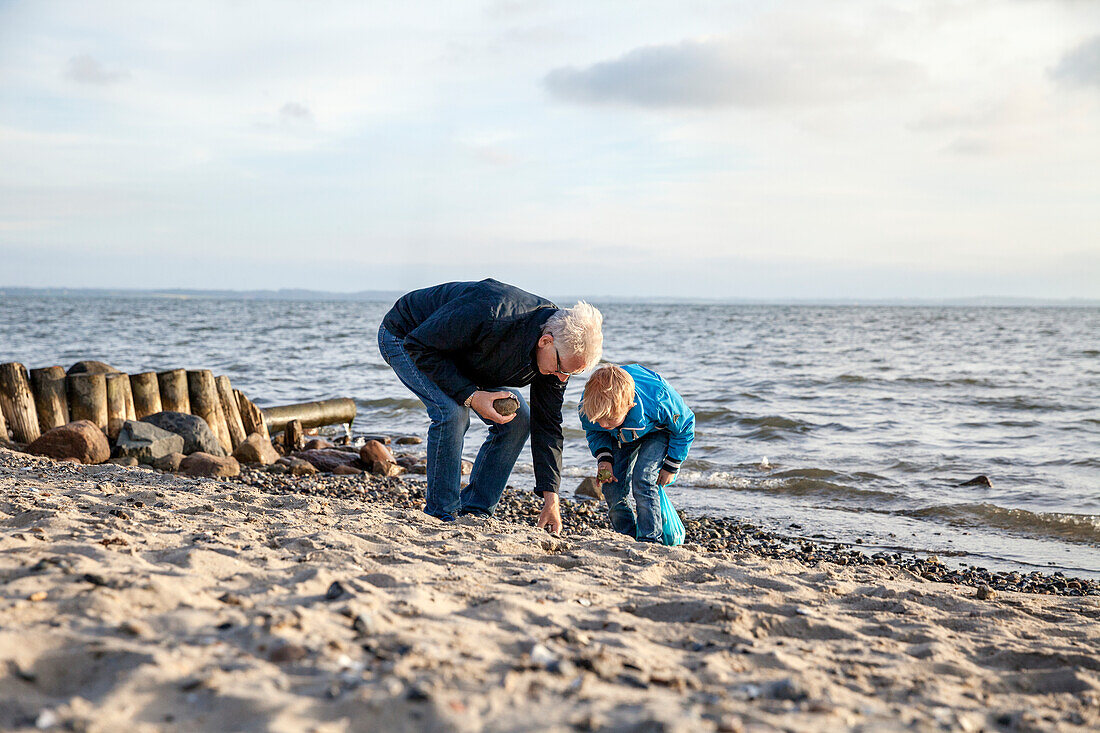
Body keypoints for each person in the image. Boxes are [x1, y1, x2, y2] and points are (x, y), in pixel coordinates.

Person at [378, 279, 603, 532]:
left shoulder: (559, 357)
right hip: (407, 336)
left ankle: (476, 511)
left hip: (465, 354)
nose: (562, 379)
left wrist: (551, 498)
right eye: (562, 369)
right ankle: (442, 514)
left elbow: (548, 425)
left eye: (571, 374)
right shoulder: (491, 312)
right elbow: (420, 346)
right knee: (453, 413)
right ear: (545, 342)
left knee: (519, 422)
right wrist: (472, 396)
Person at [578, 364, 694, 542]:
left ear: (629, 405)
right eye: (598, 419)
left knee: (644, 479)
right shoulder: (591, 407)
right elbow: (596, 431)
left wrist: (672, 465)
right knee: (611, 485)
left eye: (609, 418)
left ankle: (650, 538)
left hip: (657, 430)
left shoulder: (657, 398)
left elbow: (685, 427)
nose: (602, 423)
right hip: (619, 434)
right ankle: (627, 535)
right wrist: (604, 458)